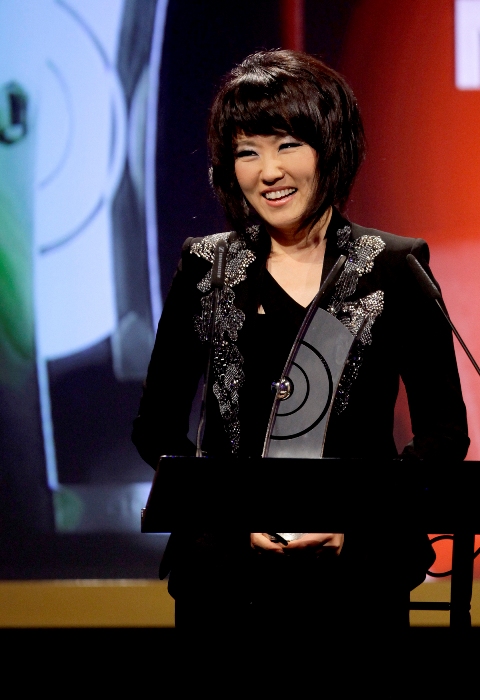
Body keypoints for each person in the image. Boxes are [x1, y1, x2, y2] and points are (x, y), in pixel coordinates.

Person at [132, 50, 469, 652]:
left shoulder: (394, 268)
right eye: (247, 152)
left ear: (330, 148)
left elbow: (444, 434)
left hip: (357, 580)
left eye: (288, 145)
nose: (268, 171)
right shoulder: (207, 268)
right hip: (225, 582)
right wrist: (230, 517)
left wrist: (354, 521)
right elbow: (156, 427)